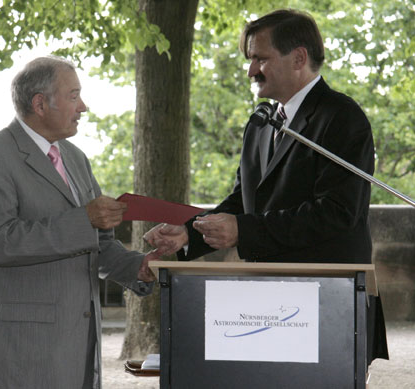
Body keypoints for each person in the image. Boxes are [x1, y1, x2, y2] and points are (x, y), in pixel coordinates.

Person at [144, 9, 388, 364]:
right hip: (265, 303)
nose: (251, 70)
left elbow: (338, 212)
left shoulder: (340, 116)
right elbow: (243, 201)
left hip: (328, 303)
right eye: (249, 59)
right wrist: (188, 234)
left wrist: (243, 230)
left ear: (298, 58)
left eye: (261, 58)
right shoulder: (261, 123)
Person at [0, 56, 160, 389]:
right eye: (73, 95)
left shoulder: (75, 158)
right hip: (19, 349)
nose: (83, 106)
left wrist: (139, 267)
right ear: (40, 103)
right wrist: (84, 220)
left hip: (78, 344)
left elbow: (98, 243)